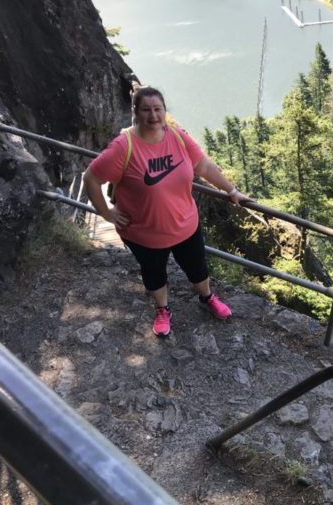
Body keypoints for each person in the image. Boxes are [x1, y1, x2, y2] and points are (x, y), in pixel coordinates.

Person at [83, 85, 250, 337]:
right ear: (136, 113)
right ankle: (162, 308)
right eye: (146, 110)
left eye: (157, 109)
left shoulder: (178, 137)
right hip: (143, 233)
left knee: (198, 268)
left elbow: (203, 165)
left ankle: (207, 297)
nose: (153, 116)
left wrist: (232, 190)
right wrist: (106, 213)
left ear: (164, 111)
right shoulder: (124, 146)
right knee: (153, 274)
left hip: (185, 225)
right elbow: (91, 178)